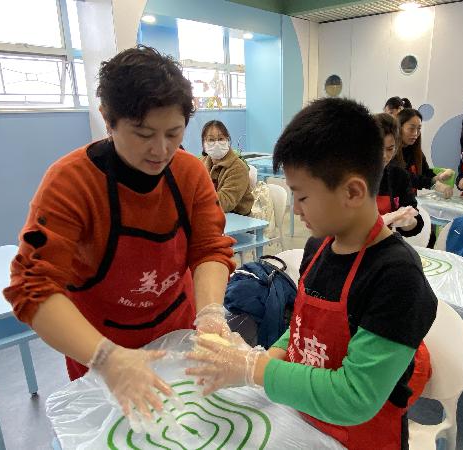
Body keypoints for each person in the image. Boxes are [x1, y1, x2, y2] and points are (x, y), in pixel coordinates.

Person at [186, 98, 438, 449]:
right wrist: (263, 357)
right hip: (301, 419)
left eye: (302, 197)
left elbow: (354, 396)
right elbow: (301, 327)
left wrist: (254, 369)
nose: (295, 210)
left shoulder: (397, 277)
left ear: (353, 191)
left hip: (359, 437)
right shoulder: (318, 247)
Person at [3, 46, 235, 424]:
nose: (161, 149)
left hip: (176, 335)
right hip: (98, 345)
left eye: (174, 133)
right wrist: (107, 359)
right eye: (143, 134)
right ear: (107, 120)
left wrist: (210, 314)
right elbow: (34, 287)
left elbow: (209, 248)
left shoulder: (190, 173)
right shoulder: (70, 183)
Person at [375, 113, 424, 237]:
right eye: (378, 148)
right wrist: (381, 221)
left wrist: (408, 221)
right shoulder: (350, 176)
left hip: (383, 243)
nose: (384, 156)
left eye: (390, 149)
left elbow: (416, 223)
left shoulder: (399, 176)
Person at [202, 120, 255, 215]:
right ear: (204, 144)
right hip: (209, 213)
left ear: (227, 140)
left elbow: (225, 202)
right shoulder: (201, 164)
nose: (216, 144)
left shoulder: (238, 168)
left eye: (221, 139)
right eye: (211, 140)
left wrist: (197, 198)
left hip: (239, 218)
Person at [397, 108, 454, 197]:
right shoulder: (391, 152)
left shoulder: (415, 151)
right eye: (411, 128)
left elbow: (425, 171)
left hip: (409, 200)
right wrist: (433, 183)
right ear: (399, 128)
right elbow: (403, 176)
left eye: (419, 129)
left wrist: (438, 177)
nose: (415, 133)